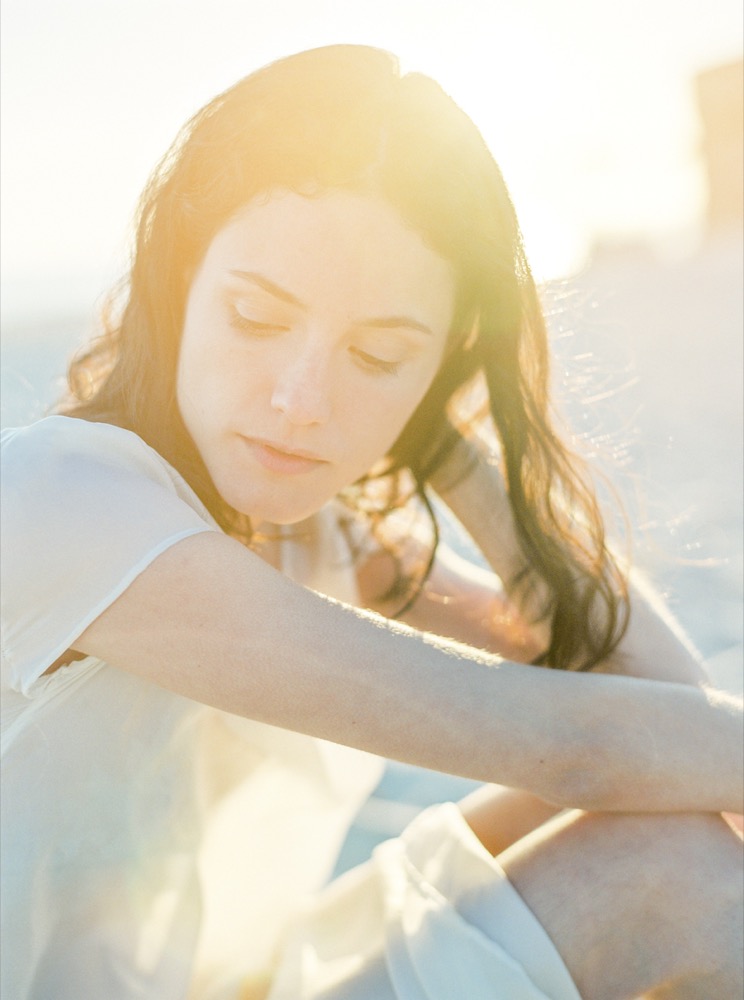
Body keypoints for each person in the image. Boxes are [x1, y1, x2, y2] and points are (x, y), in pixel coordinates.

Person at [1, 44, 741, 1000]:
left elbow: (664, 705)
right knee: (669, 881)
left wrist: (447, 442)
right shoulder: (57, 500)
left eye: (379, 354)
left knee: (678, 824)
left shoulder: (323, 535)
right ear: (177, 278)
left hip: (253, 983)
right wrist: (397, 381)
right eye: (257, 319)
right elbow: (579, 746)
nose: (301, 400)